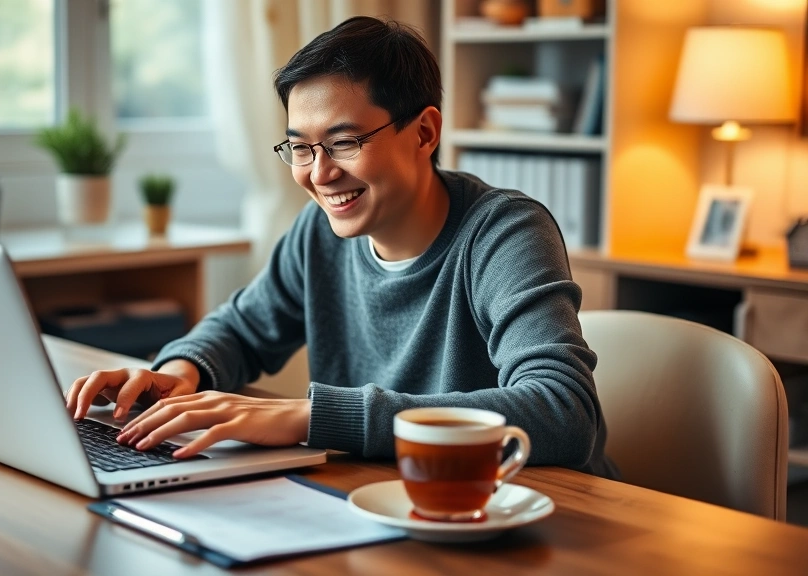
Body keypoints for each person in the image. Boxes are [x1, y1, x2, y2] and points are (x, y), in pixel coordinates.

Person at [65, 16, 617, 478]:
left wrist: (313, 417)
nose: (319, 173)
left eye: (344, 142)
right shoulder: (318, 233)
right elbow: (240, 329)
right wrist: (179, 372)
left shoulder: (504, 232)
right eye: (301, 148)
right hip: (386, 502)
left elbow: (564, 411)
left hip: (529, 513)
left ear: (425, 133)